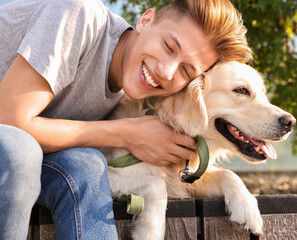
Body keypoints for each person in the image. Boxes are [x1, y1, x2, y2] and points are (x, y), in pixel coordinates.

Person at [0, 0, 252, 239]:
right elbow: (9, 124)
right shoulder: (77, 14)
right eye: (168, 46)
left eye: (185, 70)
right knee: (19, 151)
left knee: (86, 164)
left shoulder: (135, 92)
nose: (165, 71)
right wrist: (126, 133)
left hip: (31, 166)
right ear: (145, 21)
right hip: (11, 150)